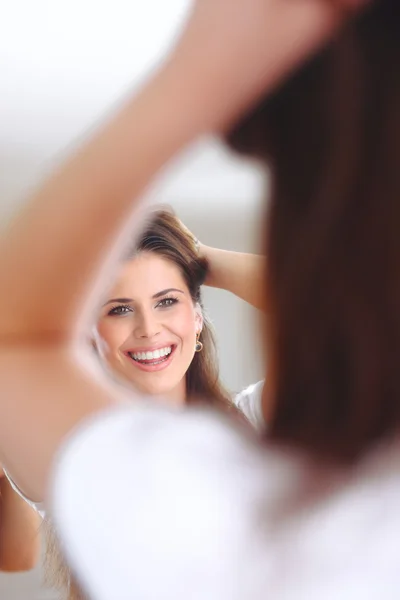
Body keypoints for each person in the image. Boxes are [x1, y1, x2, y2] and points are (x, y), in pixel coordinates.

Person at [1, 0, 399, 599]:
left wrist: (198, 260)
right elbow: (17, 550)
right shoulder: (89, 450)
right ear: (90, 333)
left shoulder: (264, 424)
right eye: (117, 309)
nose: (147, 329)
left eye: (167, 301)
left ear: (199, 312)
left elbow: (19, 338)